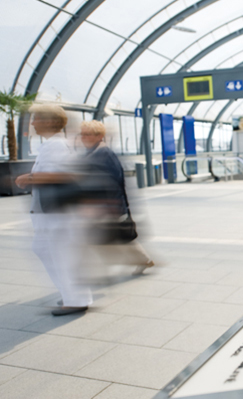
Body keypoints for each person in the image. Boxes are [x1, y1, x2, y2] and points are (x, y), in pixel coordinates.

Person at [15, 104, 92, 316]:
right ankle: (73, 295)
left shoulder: (55, 146)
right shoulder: (55, 145)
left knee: (58, 253)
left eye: (36, 118)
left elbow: (61, 175)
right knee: (49, 251)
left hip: (55, 214)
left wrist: (27, 178)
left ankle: (75, 299)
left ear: (49, 121)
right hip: (54, 212)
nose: (32, 123)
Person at [78, 120, 154, 275]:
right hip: (102, 206)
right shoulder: (92, 153)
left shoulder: (105, 154)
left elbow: (113, 182)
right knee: (119, 236)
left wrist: (108, 206)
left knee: (107, 237)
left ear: (100, 136)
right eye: (82, 134)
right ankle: (143, 259)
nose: (83, 137)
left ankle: (98, 272)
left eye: (88, 134)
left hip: (106, 206)